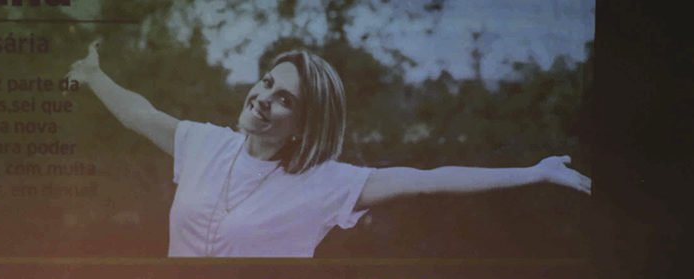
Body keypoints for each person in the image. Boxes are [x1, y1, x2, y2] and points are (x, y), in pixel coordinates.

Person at [66, 43, 592, 257]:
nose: (263, 98)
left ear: (304, 125)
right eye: (267, 83)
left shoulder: (327, 182)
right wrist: (93, 75)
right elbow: (140, 114)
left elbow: (429, 176)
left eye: (284, 98)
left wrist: (535, 171)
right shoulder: (205, 144)